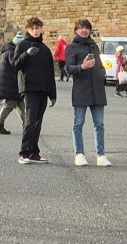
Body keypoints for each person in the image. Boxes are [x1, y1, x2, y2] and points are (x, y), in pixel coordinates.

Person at [65, 19, 111, 166]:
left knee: (99, 124)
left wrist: (102, 72)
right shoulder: (71, 47)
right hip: (81, 90)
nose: (84, 30)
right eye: (81, 28)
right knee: (78, 123)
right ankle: (79, 154)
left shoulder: (94, 46)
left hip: (97, 90)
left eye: (86, 28)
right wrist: (82, 67)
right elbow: (68, 69)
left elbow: (99, 63)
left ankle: (101, 155)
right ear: (76, 30)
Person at [12, 18, 56, 163]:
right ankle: (24, 152)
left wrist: (52, 94)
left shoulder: (45, 49)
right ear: (28, 30)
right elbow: (15, 65)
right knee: (30, 121)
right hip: (29, 88)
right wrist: (26, 54)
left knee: (37, 122)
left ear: (42, 29)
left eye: (38, 28)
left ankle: (34, 153)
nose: (35, 31)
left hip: (43, 89)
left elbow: (50, 73)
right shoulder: (22, 45)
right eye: (33, 28)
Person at [0, 34, 24, 134]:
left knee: (20, 105)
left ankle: (28, 125)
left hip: (10, 83)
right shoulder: (11, 53)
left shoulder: (8, 51)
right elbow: (16, 66)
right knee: (10, 104)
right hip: (11, 84)